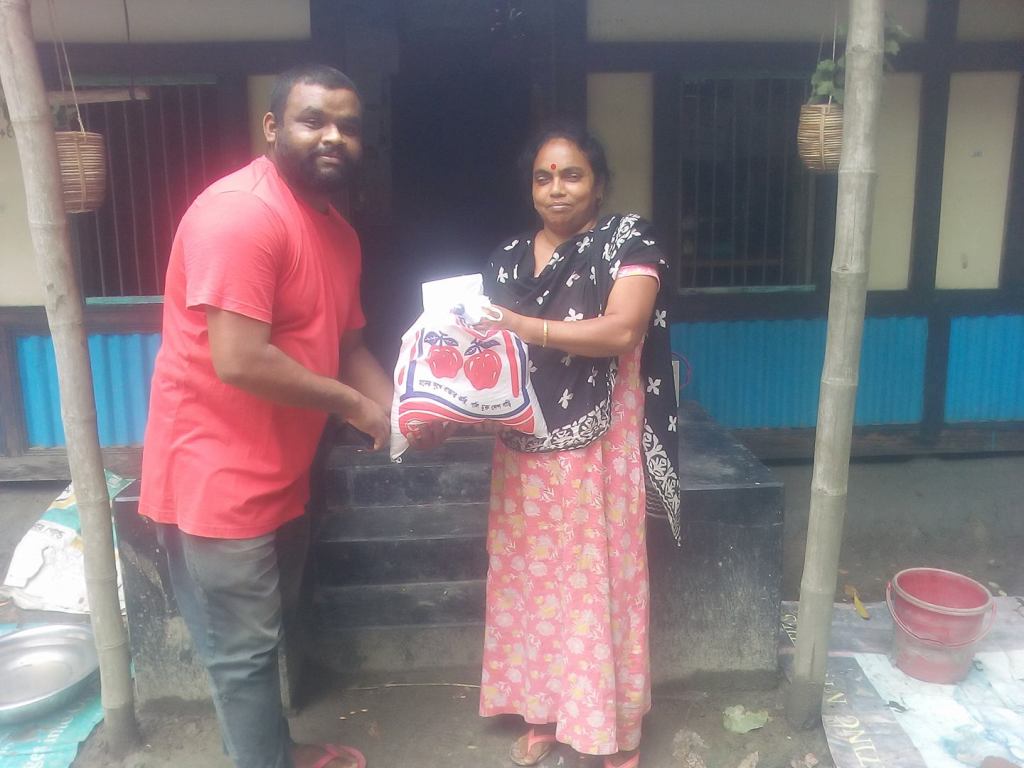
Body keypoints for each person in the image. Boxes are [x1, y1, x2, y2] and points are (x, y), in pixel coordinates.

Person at [138, 64, 393, 768]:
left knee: (262, 638)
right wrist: (354, 406)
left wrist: (406, 414)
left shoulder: (338, 234)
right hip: (216, 480)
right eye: (314, 120)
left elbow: (350, 349)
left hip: (284, 473)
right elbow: (241, 360)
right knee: (243, 655)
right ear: (273, 127)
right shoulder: (242, 215)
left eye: (348, 126)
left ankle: (274, 750)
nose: (334, 136)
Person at [477, 124, 682, 768]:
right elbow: (485, 354)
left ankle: (614, 728)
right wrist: (437, 408)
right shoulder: (508, 259)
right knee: (531, 577)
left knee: (599, 577)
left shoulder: (628, 241)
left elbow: (622, 331)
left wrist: (521, 325)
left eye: (572, 175)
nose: (556, 188)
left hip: (602, 445)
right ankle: (544, 710)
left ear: (598, 184)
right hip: (524, 444)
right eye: (543, 177)